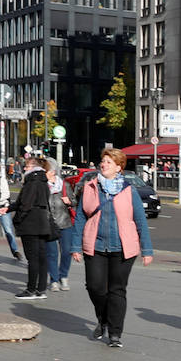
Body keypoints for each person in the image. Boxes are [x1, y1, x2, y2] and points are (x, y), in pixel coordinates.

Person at [68, 148, 153, 348]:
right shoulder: (90, 187)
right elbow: (80, 217)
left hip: (123, 248)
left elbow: (140, 220)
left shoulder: (129, 190)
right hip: (95, 245)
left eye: (108, 162)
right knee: (95, 286)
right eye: (103, 161)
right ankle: (103, 318)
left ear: (118, 167)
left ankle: (115, 334)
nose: (103, 164)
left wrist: (147, 250)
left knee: (117, 290)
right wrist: (75, 246)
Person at [8, 155, 55, 298]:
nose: (24, 168)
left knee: (32, 257)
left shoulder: (31, 181)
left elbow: (25, 203)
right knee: (41, 256)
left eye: (27, 166)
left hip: (30, 223)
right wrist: (9, 208)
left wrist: (18, 219)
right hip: (41, 222)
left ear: (33, 168)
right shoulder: (43, 181)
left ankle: (31, 289)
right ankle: (41, 289)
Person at [44, 158, 75, 291]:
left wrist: (70, 202)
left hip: (65, 222)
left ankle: (64, 276)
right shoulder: (43, 185)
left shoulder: (64, 185)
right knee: (52, 253)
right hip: (49, 223)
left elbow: (75, 201)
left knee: (67, 251)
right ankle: (54, 280)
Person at [0, 160, 21, 261]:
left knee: (9, 231)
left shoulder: (1, 180)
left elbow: (6, 193)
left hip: (2, 207)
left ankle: (15, 251)